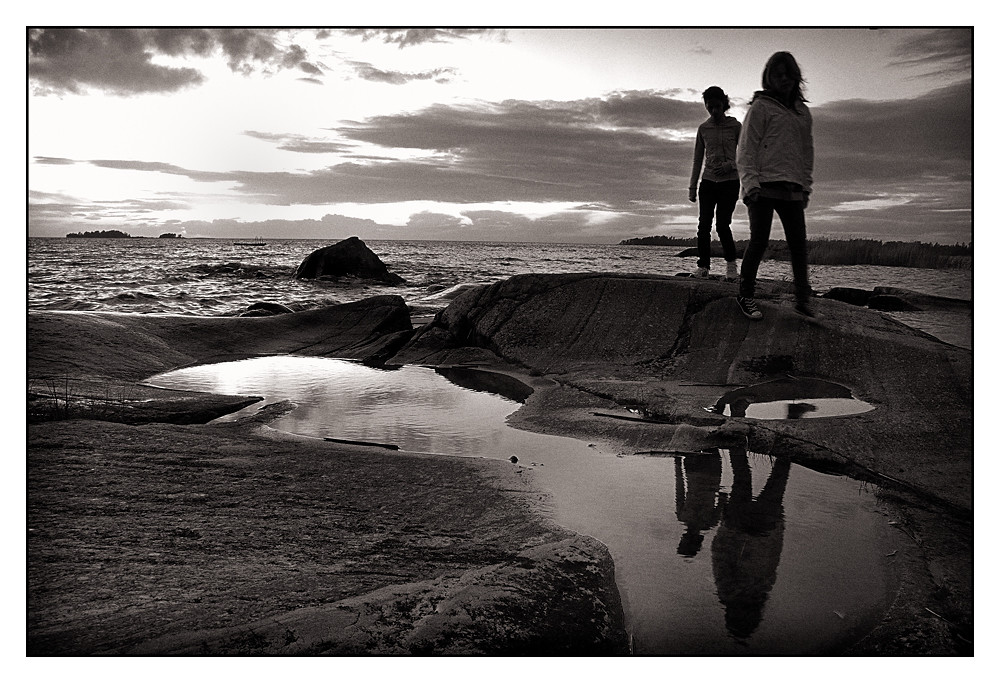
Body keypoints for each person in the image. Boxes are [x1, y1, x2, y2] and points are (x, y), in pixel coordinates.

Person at [735, 52, 818, 321]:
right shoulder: (761, 107)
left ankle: (803, 301)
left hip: (792, 187)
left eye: (787, 74)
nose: (783, 79)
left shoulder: (802, 112)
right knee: (759, 240)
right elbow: (747, 147)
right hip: (762, 186)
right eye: (777, 75)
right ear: (769, 78)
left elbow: (807, 151)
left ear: (795, 77)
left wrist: (805, 185)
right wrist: (750, 184)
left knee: (798, 244)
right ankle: (745, 294)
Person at [689, 86, 741, 280]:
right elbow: (697, 159)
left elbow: (746, 154)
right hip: (708, 182)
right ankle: (703, 267)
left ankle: (731, 267)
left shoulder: (735, 126)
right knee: (703, 225)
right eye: (710, 107)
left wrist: (730, 166)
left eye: (717, 106)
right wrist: (693, 187)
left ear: (724, 104)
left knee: (722, 225)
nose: (714, 111)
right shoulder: (703, 129)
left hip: (730, 182)